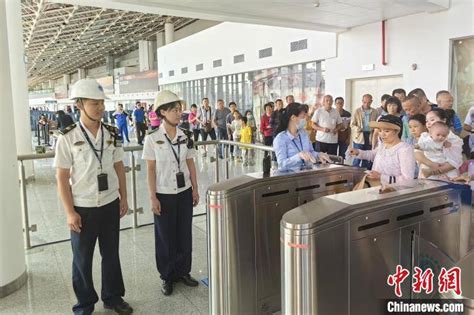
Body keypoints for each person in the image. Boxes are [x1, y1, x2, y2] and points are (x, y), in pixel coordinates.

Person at [54, 79, 133, 315]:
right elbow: (62, 177)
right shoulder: (67, 137)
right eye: (94, 103)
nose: (100, 107)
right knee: (82, 260)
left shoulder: (111, 132)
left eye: (101, 103)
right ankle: (85, 304)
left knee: (111, 254)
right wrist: (70, 212)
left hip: (109, 203)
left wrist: (124, 197)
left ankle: (113, 296)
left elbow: (119, 166)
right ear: (79, 104)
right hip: (83, 207)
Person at [142, 90, 200, 297]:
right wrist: (153, 197)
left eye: (179, 109)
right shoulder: (152, 138)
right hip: (164, 193)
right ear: (163, 112)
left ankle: (183, 271)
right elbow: (150, 169)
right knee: (165, 237)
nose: (179, 113)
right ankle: (167, 276)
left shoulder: (186, 135)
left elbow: (190, 162)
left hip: (184, 192)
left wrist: (195, 188)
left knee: (184, 233)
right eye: (175, 110)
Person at [347, 115, 416, 188]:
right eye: (380, 131)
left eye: (386, 131)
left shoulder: (405, 149)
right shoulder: (383, 145)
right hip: (377, 188)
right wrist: (357, 152)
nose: (382, 134)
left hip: (394, 193)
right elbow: (372, 155)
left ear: (397, 131)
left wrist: (381, 177)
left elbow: (408, 179)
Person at [273, 103, 331, 170]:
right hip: (290, 177)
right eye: (303, 116)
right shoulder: (280, 139)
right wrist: (298, 156)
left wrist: (318, 155)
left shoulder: (304, 133)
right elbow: (281, 164)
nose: (306, 119)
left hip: (306, 174)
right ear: (293, 118)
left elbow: (311, 152)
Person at [415, 108, 463, 178]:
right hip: (427, 175)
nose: (428, 123)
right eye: (426, 121)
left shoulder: (454, 139)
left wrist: (434, 171)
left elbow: (455, 162)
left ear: (444, 120)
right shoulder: (424, 136)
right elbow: (417, 154)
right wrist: (432, 164)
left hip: (447, 176)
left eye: (432, 120)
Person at [350, 94, 378, 168]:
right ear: (362, 101)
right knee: (357, 157)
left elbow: (376, 124)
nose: (366, 104)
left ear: (371, 102)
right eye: (365, 102)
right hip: (359, 136)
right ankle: (354, 173)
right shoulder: (357, 111)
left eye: (368, 102)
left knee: (367, 157)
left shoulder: (375, 111)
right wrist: (358, 129)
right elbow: (352, 125)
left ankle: (364, 174)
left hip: (370, 136)